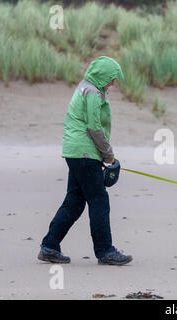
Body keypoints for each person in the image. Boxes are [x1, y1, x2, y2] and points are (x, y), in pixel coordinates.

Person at [38, 56, 132, 265]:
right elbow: (94, 128)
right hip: (84, 155)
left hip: (77, 153)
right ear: (103, 76)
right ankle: (105, 251)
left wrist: (105, 156)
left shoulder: (87, 87)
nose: (114, 83)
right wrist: (109, 156)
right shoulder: (92, 92)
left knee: (74, 202)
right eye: (112, 78)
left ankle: (49, 246)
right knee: (99, 201)